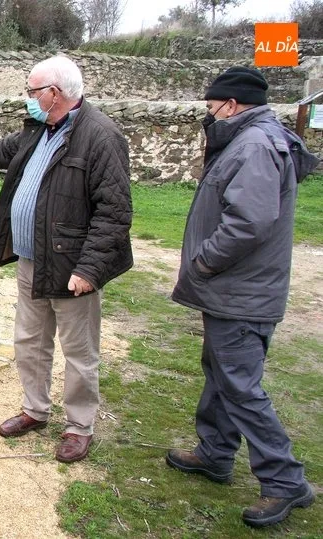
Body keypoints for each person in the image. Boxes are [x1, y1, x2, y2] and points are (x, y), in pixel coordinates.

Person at [0, 55, 133, 463]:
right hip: (32, 259)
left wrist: (89, 269)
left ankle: (78, 427)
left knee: (79, 351)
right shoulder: (41, 129)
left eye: (33, 91)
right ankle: (35, 411)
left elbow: (115, 211)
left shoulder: (101, 136)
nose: (29, 98)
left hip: (72, 267)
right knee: (30, 341)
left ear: (55, 94)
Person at [167, 66, 318, 527]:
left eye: (212, 107)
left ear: (231, 105)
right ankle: (215, 453)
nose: (209, 115)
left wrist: (205, 261)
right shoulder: (252, 140)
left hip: (241, 290)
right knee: (221, 372)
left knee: (241, 386)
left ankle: (285, 480)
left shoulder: (254, 145)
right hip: (234, 291)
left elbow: (249, 222)